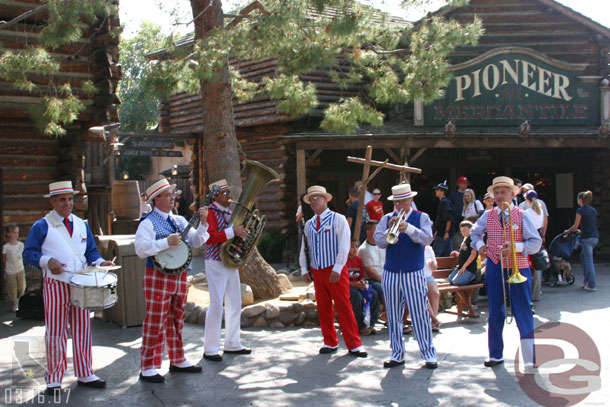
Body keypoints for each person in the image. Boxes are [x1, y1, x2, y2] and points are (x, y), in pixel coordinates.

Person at [23, 181, 114, 394]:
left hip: (80, 283)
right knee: (56, 331)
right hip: (56, 284)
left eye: (70, 199)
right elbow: (28, 253)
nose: (68, 203)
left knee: (83, 328)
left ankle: (85, 372)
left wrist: (101, 263)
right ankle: (54, 379)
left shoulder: (81, 224)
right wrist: (47, 261)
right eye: (62, 199)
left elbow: (91, 251)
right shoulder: (41, 226)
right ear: (53, 202)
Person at [134, 178, 210, 383]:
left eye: (172, 195)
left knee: (177, 318)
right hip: (157, 275)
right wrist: (165, 243)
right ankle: (148, 365)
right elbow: (141, 249)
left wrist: (203, 224)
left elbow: (196, 241)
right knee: (155, 320)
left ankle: (177, 359)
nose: (172, 198)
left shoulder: (180, 220)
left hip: (180, 275)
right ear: (156, 199)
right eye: (168, 195)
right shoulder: (147, 222)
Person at [470, 176, 541, 368]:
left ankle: (529, 358)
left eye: (503, 192)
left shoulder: (522, 214)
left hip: (518, 265)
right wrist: (480, 245)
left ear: (512, 194)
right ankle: (495, 355)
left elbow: (535, 243)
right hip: (494, 264)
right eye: (497, 193)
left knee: (523, 311)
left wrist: (516, 247)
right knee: (495, 311)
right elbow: (474, 233)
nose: (500, 196)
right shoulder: (488, 214)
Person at [374, 183, 437, 369]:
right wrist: (390, 229)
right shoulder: (387, 218)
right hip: (391, 271)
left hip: (414, 271)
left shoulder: (421, 217)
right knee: (393, 315)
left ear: (411, 200)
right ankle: (396, 353)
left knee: (419, 314)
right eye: (397, 202)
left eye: (404, 201)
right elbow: (379, 241)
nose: (400, 205)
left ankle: (429, 354)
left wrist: (408, 228)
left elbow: (427, 239)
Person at [299, 185, 367, 358]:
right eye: (311, 199)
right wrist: (304, 269)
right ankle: (329, 341)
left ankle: (354, 344)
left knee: (343, 305)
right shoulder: (308, 225)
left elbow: (344, 245)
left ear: (326, 199)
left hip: (334, 268)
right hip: (317, 269)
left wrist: (338, 267)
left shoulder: (339, 219)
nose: (314, 202)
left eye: (317, 198)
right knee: (323, 307)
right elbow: (304, 248)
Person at [203, 179, 252, 362]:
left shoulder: (230, 212)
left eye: (228, 193)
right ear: (215, 196)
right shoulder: (210, 212)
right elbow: (210, 237)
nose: (229, 197)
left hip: (230, 262)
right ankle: (211, 348)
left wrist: (240, 253)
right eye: (225, 194)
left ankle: (232, 343)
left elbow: (234, 240)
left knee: (235, 302)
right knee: (216, 304)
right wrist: (233, 232)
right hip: (215, 261)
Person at [564, 190, 599, 291]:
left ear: (580, 200)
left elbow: (576, 225)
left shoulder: (580, 210)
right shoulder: (593, 210)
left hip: (586, 238)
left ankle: (592, 284)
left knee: (588, 261)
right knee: (583, 258)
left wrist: (568, 231)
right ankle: (586, 281)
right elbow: (589, 224)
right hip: (594, 237)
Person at [347, 240, 380, 336]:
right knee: (357, 296)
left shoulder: (358, 260)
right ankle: (359, 325)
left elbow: (361, 276)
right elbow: (343, 281)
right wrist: (356, 285)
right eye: (352, 247)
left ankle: (370, 324)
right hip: (349, 286)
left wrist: (361, 282)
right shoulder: (343, 260)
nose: (355, 249)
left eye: (356, 247)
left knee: (373, 294)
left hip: (358, 285)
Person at [358, 221, 385, 308]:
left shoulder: (382, 245)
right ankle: (389, 314)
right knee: (384, 289)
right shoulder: (364, 249)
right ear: (368, 232)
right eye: (376, 230)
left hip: (384, 277)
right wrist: (385, 281)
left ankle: (402, 316)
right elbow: (370, 272)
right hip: (372, 279)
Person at [524, 190, 544, 302]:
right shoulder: (539, 211)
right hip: (538, 236)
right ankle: (536, 293)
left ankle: (527, 293)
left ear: (527, 199)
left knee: (527, 265)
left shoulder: (527, 212)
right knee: (537, 266)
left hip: (529, 237)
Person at [3, 224, 25, 312]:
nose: (16, 234)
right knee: (12, 288)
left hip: (20, 268)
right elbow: (4, 259)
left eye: (17, 233)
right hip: (10, 270)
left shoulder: (20, 245)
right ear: (8, 234)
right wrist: (6, 268)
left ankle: (20, 301)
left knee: (21, 286)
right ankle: (14, 303)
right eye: (14, 233)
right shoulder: (6, 247)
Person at [448, 221, 478, 286]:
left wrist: (464, 266)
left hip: (469, 268)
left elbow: (473, 254)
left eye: (464, 230)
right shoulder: (465, 239)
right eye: (461, 231)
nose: (463, 232)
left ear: (471, 229)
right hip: (460, 266)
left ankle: (472, 278)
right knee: (450, 280)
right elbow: (465, 252)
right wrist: (457, 254)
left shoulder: (473, 239)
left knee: (456, 282)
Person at [432, 181, 454, 257]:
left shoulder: (445, 202)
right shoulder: (443, 202)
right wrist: (436, 231)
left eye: (437, 190)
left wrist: (446, 232)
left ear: (442, 191)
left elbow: (449, 218)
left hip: (443, 233)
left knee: (436, 253)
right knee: (448, 253)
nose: (436, 191)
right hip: (441, 232)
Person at [423, 245, 441, 332]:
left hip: (428, 276)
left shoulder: (429, 249)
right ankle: (434, 319)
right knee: (423, 292)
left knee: (435, 292)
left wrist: (432, 263)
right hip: (417, 277)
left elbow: (434, 267)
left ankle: (434, 321)